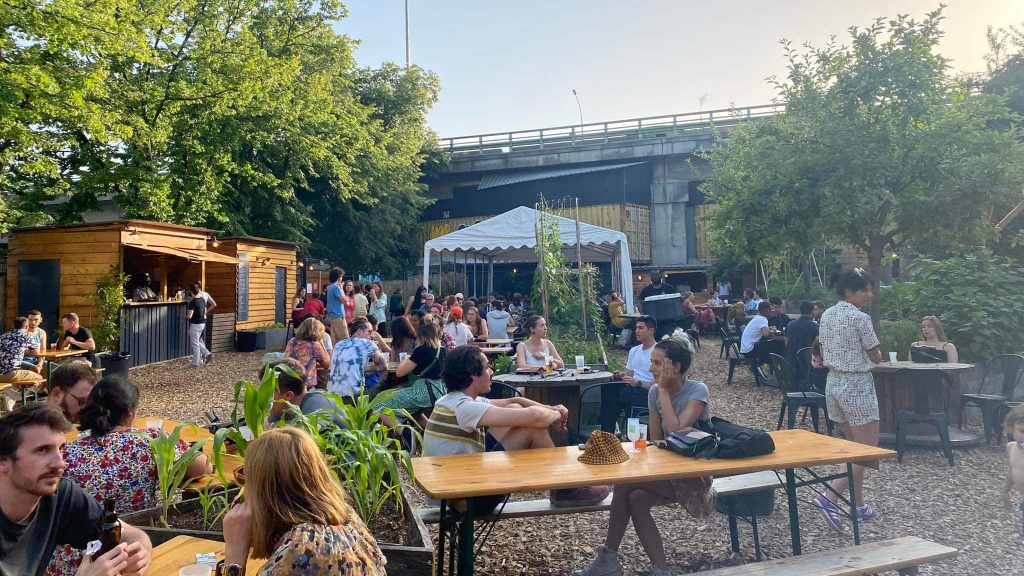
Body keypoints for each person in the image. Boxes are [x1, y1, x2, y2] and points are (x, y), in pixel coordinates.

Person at [574, 336, 713, 576]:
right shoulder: (653, 394)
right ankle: (660, 570)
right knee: (636, 497)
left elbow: (677, 431)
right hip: (666, 473)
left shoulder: (697, 390)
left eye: (657, 364)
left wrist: (663, 392)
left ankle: (608, 559)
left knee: (624, 483)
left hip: (696, 480)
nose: (650, 369)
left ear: (675, 367)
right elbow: (658, 443)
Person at [46, 376, 208, 575]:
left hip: (69, 563)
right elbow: (202, 468)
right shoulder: (149, 442)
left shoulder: (66, 453)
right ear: (130, 415)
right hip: (129, 557)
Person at [423, 345, 609, 510]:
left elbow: (514, 400)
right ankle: (567, 489)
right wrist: (556, 416)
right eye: (487, 367)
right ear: (474, 374)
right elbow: (536, 418)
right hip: (465, 498)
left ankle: (564, 488)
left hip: (456, 485)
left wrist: (551, 408)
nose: (492, 371)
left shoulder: (452, 400)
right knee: (532, 427)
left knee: (515, 409)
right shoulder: (465, 408)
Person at [0, 403, 153, 576]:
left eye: (61, 449)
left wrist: (140, 553)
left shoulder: (60, 496)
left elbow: (130, 533)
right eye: (42, 450)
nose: (59, 463)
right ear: (3, 461)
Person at [220, 427, 386, 576]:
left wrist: (234, 554)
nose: (245, 487)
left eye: (246, 477)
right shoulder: (346, 516)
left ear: (266, 490)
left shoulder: (301, 550)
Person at [814, 269, 883, 531]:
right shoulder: (859, 317)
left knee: (856, 448)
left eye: (869, 289)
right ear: (849, 292)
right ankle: (829, 497)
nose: (869, 294)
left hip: (834, 384)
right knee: (867, 452)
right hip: (856, 385)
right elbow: (875, 355)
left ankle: (858, 505)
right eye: (864, 289)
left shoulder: (827, 314)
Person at [603, 316, 657, 432]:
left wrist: (638, 383)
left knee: (624, 396)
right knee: (608, 386)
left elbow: (660, 383)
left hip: (646, 391)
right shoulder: (634, 350)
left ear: (651, 330)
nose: (636, 331)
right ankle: (607, 432)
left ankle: (626, 432)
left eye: (641, 328)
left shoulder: (658, 351)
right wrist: (622, 376)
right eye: (636, 327)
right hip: (631, 387)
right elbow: (629, 375)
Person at [265, 359, 345, 428]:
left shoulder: (318, 400)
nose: (263, 399)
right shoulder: (281, 411)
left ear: (288, 395)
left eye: (267, 393)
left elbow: (307, 435)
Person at [328, 318, 387, 400]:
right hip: (353, 396)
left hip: (332, 396)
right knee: (384, 388)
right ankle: (370, 412)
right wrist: (373, 368)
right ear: (359, 332)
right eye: (369, 332)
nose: (372, 336)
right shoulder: (368, 343)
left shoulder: (339, 344)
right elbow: (384, 366)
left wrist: (365, 369)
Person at [739, 301, 785, 380]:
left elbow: (763, 330)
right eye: (771, 309)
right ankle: (781, 369)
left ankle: (760, 365)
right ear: (767, 311)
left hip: (745, 348)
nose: (772, 311)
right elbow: (766, 334)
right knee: (778, 345)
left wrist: (770, 328)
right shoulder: (762, 319)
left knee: (773, 347)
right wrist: (773, 330)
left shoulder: (758, 317)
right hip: (750, 349)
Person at [284, 318, 331, 390]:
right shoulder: (314, 345)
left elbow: (287, 359)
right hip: (305, 384)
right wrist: (321, 343)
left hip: (289, 380)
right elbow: (327, 365)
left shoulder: (292, 341)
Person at [1001, 405, 1024, 535]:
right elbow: (1012, 472)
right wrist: (1005, 491)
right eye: (1022, 431)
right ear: (1011, 428)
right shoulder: (1011, 448)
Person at [785, 301, 820, 385]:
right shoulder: (815, 327)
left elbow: (786, 343)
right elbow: (817, 345)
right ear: (812, 312)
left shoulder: (790, 325)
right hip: (808, 363)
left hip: (792, 361)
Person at [0, 317, 43, 386]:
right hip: (12, 374)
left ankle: (16, 394)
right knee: (39, 378)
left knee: (26, 373)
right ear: (26, 326)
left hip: (1, 374)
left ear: (14, 326)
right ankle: (24, 395)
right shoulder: (26, 336)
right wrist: (25, 351)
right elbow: (37, 353)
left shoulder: (3, 336)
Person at [185, 283, 213, 367]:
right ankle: (207, 354)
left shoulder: (193, 302)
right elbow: (204, 311)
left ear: (191, 292)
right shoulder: (202, 300)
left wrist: (185, 317)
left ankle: (195, 363)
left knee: (195, 344)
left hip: (195, 324)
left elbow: (189, 316)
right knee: (197, 341)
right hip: (202, 323)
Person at [325, 268, 350, 343]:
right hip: (338, 316)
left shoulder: (329, 287)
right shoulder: (336, 288)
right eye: (341, 276)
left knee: (335, 340)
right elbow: (345, 301)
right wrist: (342, 289)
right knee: (345, 339)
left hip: (332, 316)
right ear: (339, 277)